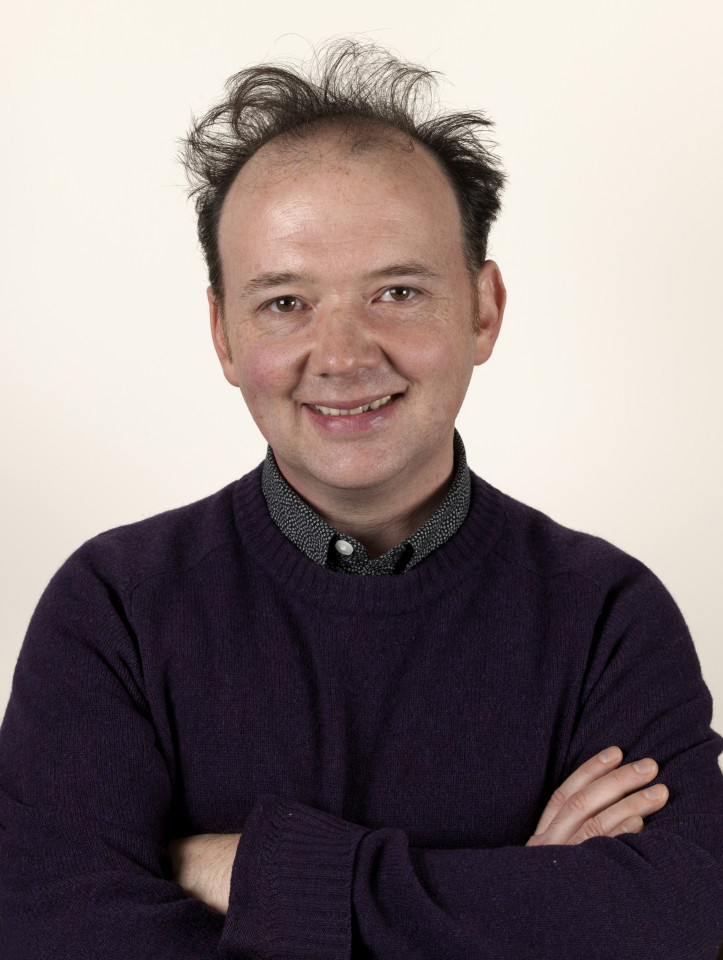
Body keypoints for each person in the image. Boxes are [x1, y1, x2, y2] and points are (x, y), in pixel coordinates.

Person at [1, 41, 721, 959]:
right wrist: (522, 899)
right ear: (223, 335)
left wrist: (257, 873)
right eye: (285, 304)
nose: (342, 356)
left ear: (483, 309)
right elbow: (51, 935)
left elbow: (676, 920)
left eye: (397, 291)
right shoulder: (113, 608)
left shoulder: (607, 615)